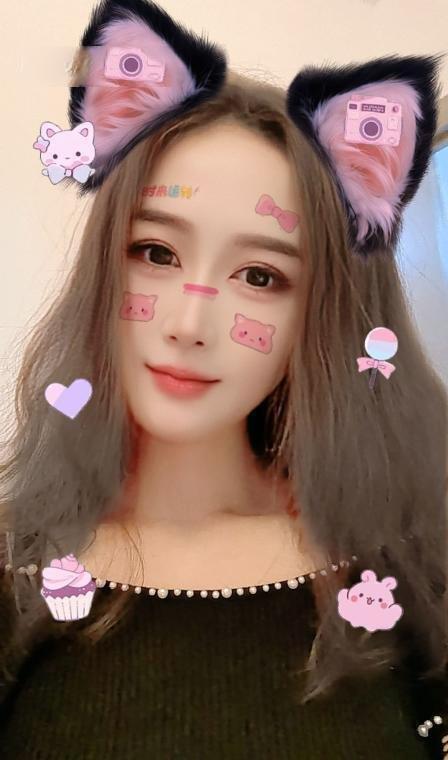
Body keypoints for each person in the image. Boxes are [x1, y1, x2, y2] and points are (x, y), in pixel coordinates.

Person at [0, 0, 447, 757]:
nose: (190, 322)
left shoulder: (403, 578)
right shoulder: (16, 573)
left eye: (261, 276)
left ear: (322, 315)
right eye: (157, 253)